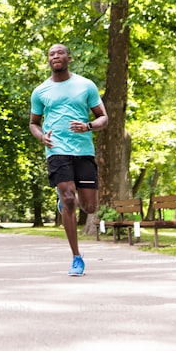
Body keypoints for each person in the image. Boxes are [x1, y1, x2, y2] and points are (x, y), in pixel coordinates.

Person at [29, 44, 108, 276]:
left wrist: (88, 126)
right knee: (69, 197)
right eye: (51, 54)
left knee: (89, 206)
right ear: (48, 60)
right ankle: (76, 257)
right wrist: (41, 136)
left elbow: (104, 117)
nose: (56, 56)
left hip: (83, 151)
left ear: (69, 58)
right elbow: (33, 123)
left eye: (60, 53)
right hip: (57, 150)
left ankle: (65, 203)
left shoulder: (86, 85)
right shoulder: (40, 91)